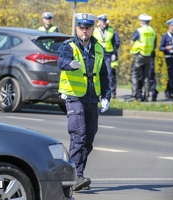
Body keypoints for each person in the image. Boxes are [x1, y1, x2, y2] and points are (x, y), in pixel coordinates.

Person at [57, 13, 111, 191]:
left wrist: (106, 96)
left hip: (92, 98)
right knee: (78, 136)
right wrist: (69, 64)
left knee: (88, 139)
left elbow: (103, 74)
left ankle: (72, 173)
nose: (84, 31)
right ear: (77, 28)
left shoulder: (98, 48)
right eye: (81, 27)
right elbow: (61, 61)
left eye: (87, 27)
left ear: (92, 28)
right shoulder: (69, 46)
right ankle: (76, 176)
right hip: (74, 97)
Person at [93, 14, 121, 99]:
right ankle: (97, 92)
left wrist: (114, 54)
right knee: (96, 74)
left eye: (105, 21)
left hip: (108, 55)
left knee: (110, 74)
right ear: (99, 22)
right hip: (98, 55)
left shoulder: (111, 30)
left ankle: (112, 93)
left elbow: (116, 43)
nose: (104, 23)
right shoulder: (94, 31)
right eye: (102, 21)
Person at [130, 14, 156, 102]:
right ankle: (146, 96)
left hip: (139, 55)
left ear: (141, 22)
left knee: (135, 74)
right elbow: (154, 44)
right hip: (148, 56)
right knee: (146, 76)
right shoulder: (152, 31)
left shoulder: (139, 31)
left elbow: (132, 41)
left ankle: (134, 95)